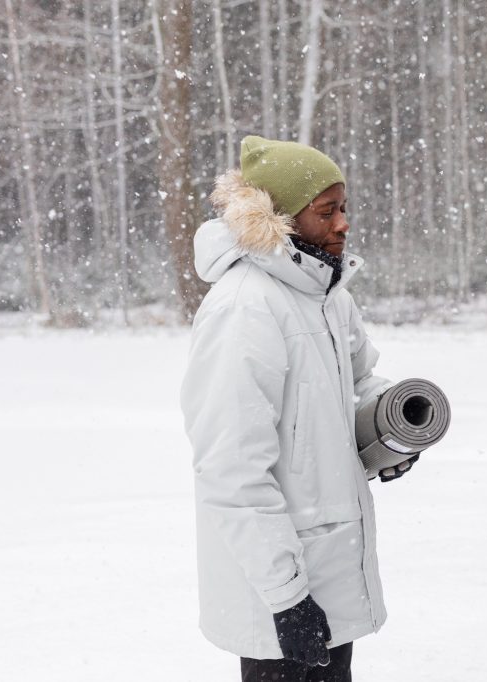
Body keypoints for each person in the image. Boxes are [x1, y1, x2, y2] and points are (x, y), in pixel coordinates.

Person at [181, 136, 409, 682]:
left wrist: (389, 430)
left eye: (344, 207)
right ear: (280, 218)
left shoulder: (329, 296)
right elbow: (231, 470)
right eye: (326, 211)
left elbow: (358, 384)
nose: (343, 224)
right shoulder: (244, 308)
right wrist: (287, 598)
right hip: (277, 597)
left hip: (332, 575)